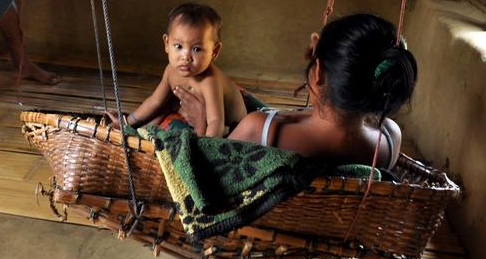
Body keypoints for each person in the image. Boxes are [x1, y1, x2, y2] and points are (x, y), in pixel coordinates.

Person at [175, 14, 415, 166]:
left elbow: (209, 167)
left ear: (318, 72)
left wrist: (201, 124)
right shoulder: (389, 137)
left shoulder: (263, 130)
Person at [112, 3, 247, 138]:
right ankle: (138, 132)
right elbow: (155, 101)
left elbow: (215, 122)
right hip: (196, 117)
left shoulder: (210, 81)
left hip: (231, 128)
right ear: (167, 43)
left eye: (196, 49)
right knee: (164, 105)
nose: (186, 57)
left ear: (214, 51)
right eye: (178, 46)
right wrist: (126, 122)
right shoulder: (171, 71)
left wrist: (205, 146)